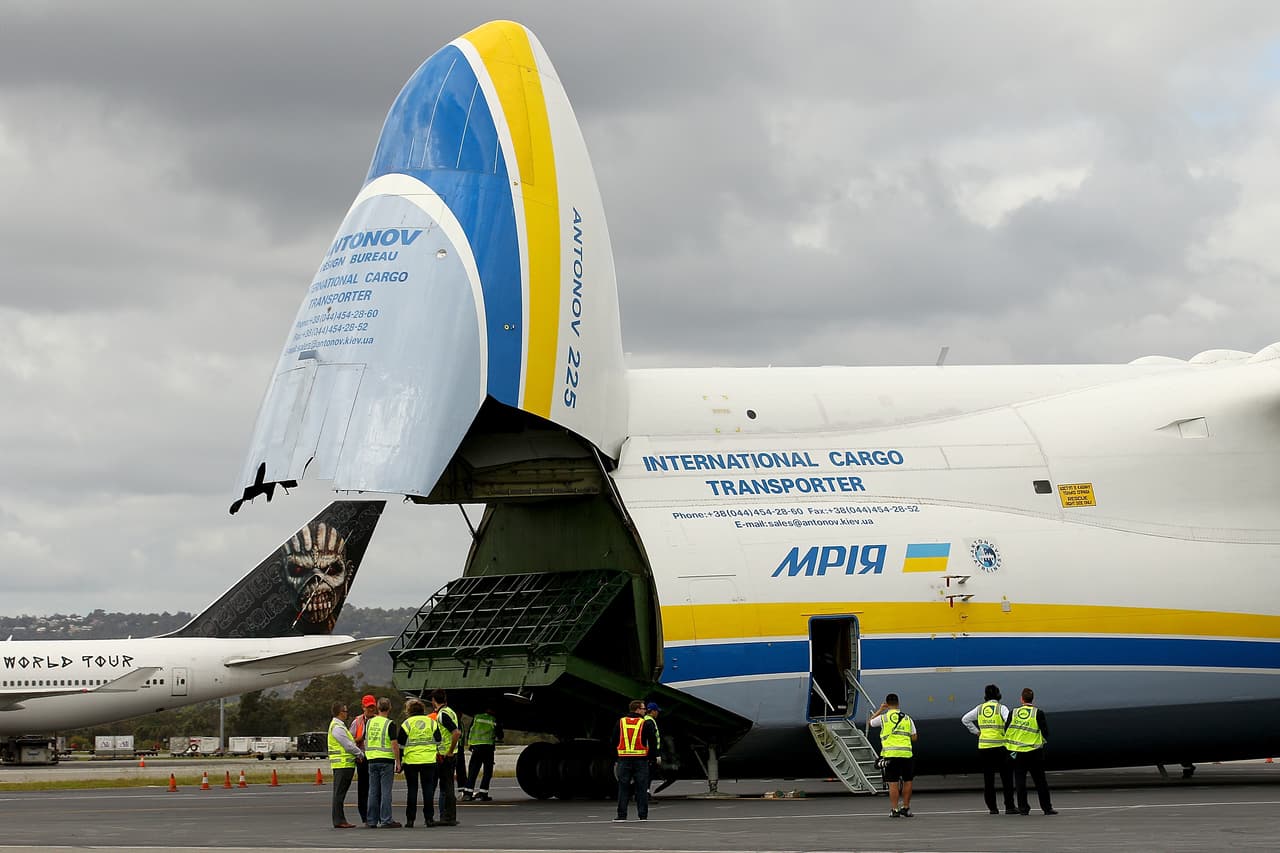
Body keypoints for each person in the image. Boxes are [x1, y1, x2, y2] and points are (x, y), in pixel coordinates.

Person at [961, 684, 1016, 815]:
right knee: (1007, 778)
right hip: (1000, 747)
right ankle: (1009, 807)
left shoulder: (979, 709)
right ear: (998, 695)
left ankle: (992, 808)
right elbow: (1009, 720)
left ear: (985, 696)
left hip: (985, 748)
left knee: (988, 780)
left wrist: (977, 732)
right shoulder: (1001, 708)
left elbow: (965, 719)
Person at [1006, 687, 1057, 815]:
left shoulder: (1013, 712)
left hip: (1018, 752)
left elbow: (1007, 729)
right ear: (1032, 699)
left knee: (1020, 782)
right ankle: (1047, 808)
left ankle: (1023, 809)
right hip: (1035, 752)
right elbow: (1046, 733)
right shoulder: (1038, 713)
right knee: (1040, 781)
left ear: (1021, 699)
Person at [870, 693, 918, 818]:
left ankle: (895, 809)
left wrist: (880, 710)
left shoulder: (883, 718)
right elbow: (914, 737)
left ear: (887, 703)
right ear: (898, 703)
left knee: (893, 783)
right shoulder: (907, 718)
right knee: (908, 781)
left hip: (890, 755)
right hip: (906, 754)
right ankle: (906, 808)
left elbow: (870, 722)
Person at [398, 698, 443, 827]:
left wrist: (400, 761)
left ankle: (410, 820)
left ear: (409, 711)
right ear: (423, 710)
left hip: (411, 761)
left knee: (412, 790)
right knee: (428, 790)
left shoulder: (406, 724)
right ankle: (429, 819)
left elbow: (401, 744)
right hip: (428, 760)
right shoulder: (431, 722)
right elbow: (439, 740)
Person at [613, 698, 656, 822]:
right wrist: (652, 758)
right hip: (640, 760)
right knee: (641, 788)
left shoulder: (621, 722)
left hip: (623, 759)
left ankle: (621, 815)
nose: (645, 711)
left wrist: (616, 757)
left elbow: (614, 740)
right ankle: (643, 815)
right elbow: (652, 742)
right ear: (637, 709)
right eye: (643, 709)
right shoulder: (645, 723)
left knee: (623, 787)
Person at [364, 696, 402, 828]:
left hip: (372, 759)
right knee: (386, 791)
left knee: (373, 791)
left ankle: (371, 820)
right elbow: (394, 744)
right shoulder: (389, 724)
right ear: (389, 708)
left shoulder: (369, 722)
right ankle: (386, 819)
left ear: (377, 708)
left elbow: (365, 739)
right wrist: (398, 762)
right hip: (386, 760)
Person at [327, 701, 363, 828]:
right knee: (339, 794)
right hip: (343, 765)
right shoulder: (337, 727)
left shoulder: (339, 726)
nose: (347, 713)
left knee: (340, 793)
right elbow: (348, 746)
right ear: (340, 712)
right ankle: (339, 820)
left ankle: (340, 819)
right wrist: (360, 754)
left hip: (344, 764)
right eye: (345, 711)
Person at [430, 688, 462, 826]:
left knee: (446, 787)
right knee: (448, 786)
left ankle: (447, 817)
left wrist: (448, 751)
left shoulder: (442, 715)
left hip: (445, 755)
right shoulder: (451, 711)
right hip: (452, 753)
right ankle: (450, 816)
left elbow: (456, 733)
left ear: (433, 701)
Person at [465, 706, 503, 802]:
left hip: (476, 747)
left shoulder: (477, 717)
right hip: (488, 748)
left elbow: (471, 730)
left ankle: (468, 794)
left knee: (473, 770)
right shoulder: (493, 719)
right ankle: (483, 793)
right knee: (487, 771)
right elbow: (500, 734)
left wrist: (470, 744)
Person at [349, 694, 377, 825]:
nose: (371, 709)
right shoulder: (357, 721)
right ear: (363, 707)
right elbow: (350, 741)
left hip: (375, 758)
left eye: (372, 707)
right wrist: (359, 740)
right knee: (363, 788)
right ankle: (365, 816)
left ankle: (376, 814)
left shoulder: (379, 720)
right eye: (368, 707)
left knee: (376, 789)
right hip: (363, 758)